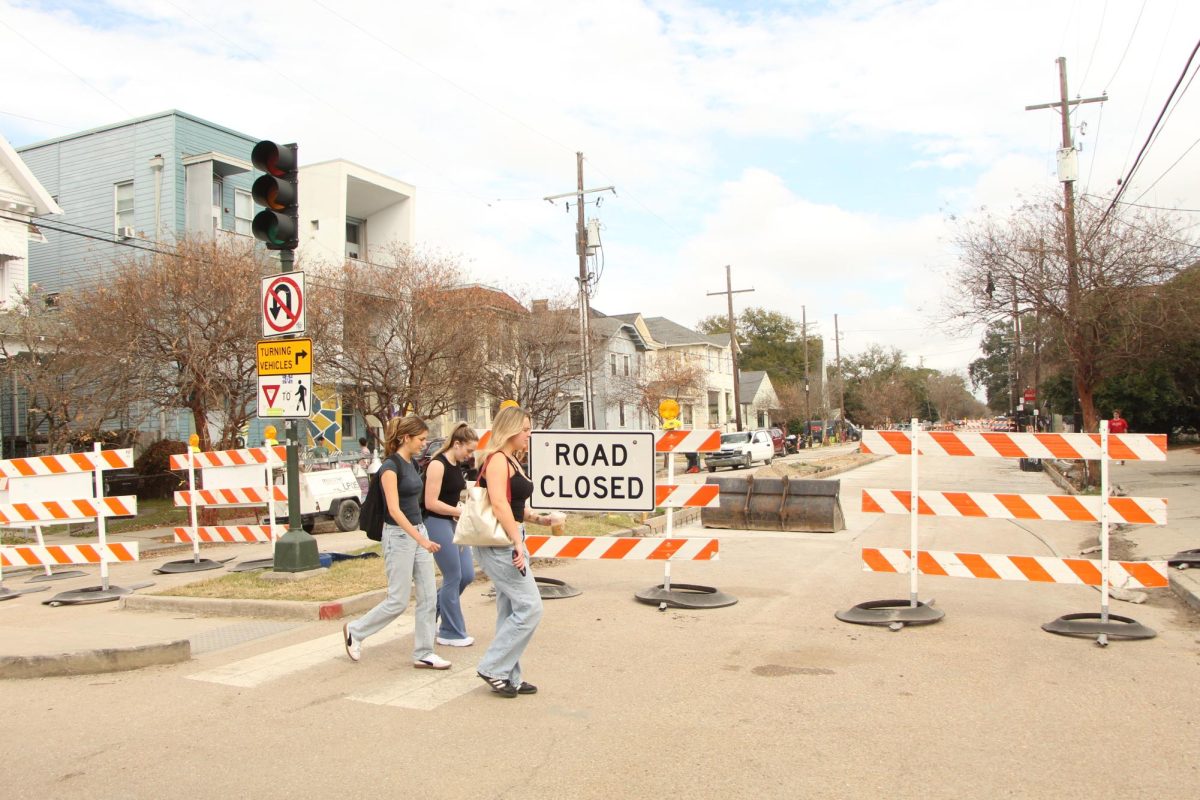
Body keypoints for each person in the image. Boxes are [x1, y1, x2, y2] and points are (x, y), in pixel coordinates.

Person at [342, 415, 450, 670]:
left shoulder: (411, 463)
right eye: (421, 439)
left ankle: (424, 652)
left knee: (428, 597)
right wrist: (421, 540)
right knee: (398, 600)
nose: (425, 443)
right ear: (406, 438)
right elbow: (394, 510)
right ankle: (355, 631)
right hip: (400, 537)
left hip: (417, 532)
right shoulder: (389, 468)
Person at [474, 404, 547, 698]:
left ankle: (510, 676)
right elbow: (499, 504)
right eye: (526, 429)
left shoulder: (512, 460)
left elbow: (515, 506)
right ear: (511, 429)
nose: (529, 434)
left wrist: (542, 519)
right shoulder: (496, 461)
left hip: (513, 536)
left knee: (510, 611)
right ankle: (492, 667)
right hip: (500, 543)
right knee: (531, 607)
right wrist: (517, 542)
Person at [422, 422, 480, 648]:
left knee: (467, 574)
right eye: (468, 450)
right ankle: (451, 631)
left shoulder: (456, 463)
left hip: (453, 522)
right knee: (453, 575)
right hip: (436, 522)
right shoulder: (438, 464)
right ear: (457, 444)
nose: (470, 455)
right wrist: (459, 511)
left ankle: (429, 615)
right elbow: (430, 502)